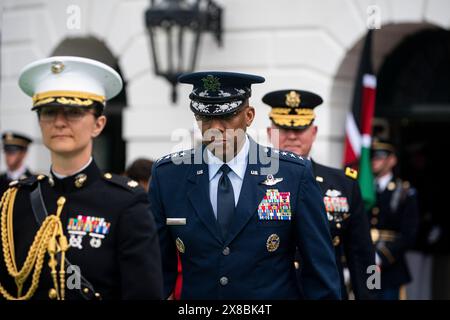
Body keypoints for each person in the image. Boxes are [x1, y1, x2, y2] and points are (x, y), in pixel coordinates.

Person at [149, 72, 341, 300]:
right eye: (205, 118)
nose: (216, 128)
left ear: (249, 116)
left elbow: (319, 270)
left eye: (228, 116)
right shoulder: (169, 176)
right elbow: (156, 272)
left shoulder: (292, 174)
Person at [0, 56, 163, 300]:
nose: (59, 122)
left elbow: (143, 293)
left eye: (74, 112)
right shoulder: (15, 201)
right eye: (49, 112)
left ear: (98, 124)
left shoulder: (125, 203)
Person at [264, 89, 376, 299]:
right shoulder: (251, 182)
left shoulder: (344, 184)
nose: (292, 136)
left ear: (314, 131)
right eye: (283, 128)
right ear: (270, 132)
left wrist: (371, 296)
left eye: (301, 128)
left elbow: (364, 257)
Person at [370, 138, 419, 300]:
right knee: (371, 294)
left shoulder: (404, 191)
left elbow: (409, 233)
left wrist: (382, 256)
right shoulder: (364, 188)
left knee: (387, 295)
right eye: (373, 157)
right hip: (369, 264)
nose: (375, 161)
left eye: (380, 157)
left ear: (392, 160)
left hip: (391, 265)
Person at [0, 132, 33, 196]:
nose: (8, 156)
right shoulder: (1, 179)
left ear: (23, 153)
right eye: (6, 151)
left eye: (12, 152)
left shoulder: (32, 181)